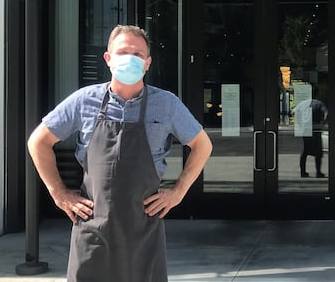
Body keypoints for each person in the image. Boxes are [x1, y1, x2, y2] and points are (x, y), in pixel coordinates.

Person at [27, 25, 213, 282]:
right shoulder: (84, 101)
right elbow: (38, 142)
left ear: (147, 63)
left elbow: (203, 145)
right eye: (123, 51)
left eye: (138, 54)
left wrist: (178, 190)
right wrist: (58, 192)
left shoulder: (167, 104)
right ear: (108, 59)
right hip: (93, 229)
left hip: (143, 228)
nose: (130, 58)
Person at [294, 92, 328, 178]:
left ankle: (303, 172)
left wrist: (300, 123)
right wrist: (323, 123)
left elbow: (293, 112)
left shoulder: (302, 103)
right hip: (315, 128)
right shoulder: (319, 103)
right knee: (318, 151)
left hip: (305, 129)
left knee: (304, 151)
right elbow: (326, 113)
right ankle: (318, 172)